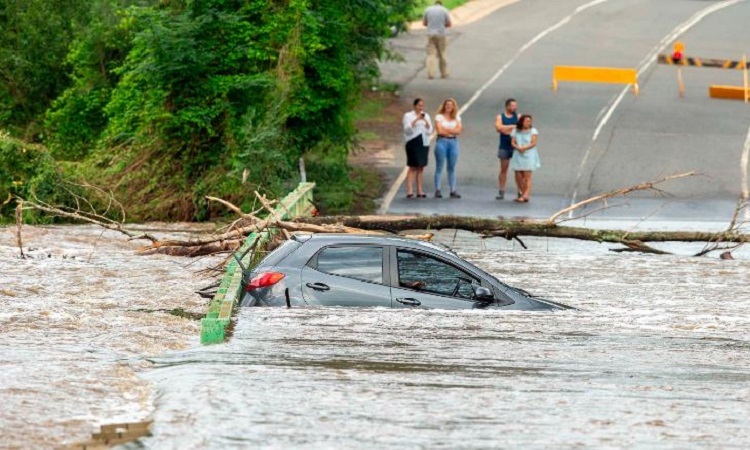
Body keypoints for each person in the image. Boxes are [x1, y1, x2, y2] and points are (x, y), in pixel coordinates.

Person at [402, 98, 432, 198]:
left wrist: (425, 121)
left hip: (424, 142)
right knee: (413, 166)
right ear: (415, 106)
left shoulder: (426, 116)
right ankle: (409, 190)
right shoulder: (408, 116)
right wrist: (417, 119)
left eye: (422, 106)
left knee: (421, 166)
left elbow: (430, 130)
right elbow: (407, 129)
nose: (421, 108)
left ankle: (420, 191)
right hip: (413, 142)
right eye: (419, 105)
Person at [433, 98, 462, 198]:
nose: (449, 107)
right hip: (442, 141)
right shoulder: (439, 117)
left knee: (452, 167)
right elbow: (439, 131)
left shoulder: (457, 117)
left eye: (451, 105)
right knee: (439, 166)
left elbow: (458, 131)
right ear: (444, 106)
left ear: (454, 107)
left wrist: (446, 129)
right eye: (447, 105)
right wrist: (451, 130)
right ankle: (438, 189)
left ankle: (453, 190)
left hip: (453, 142)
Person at [510, 114, 540, 203]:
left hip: (529, 154)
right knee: (518, 175)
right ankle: (521, 192)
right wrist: (518, 147)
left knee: (527, 176)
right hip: (518, 154)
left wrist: (524, 148)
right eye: (526, 121)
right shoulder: (516, 130)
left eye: (529, 121)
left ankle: (526, 194)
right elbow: (513, 142)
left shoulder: (533, 131)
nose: (528, 123)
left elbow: (533, 143)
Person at [495, 98, 519, 200]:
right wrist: (512, 127)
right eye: (512, 106)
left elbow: (520, 128)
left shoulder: (518, 116)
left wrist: (506, 128)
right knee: (503, 169)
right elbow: (499, 128)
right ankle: (502, 190)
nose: (514, 107)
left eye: (515, 106)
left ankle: (520, 190)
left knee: (518, 170)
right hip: (504, 145)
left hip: (515, 146)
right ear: (507, 106)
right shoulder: (500, 117)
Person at [422, 1, 452, 79]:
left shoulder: (428, 10)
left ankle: (431, 73)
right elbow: (449, 24)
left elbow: (424, 23)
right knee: (442, 53)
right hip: (441, 34)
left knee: (431, 54)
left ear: (434, 3)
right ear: (441, 3)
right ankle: (444, 73)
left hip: (431, 34)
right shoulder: (444, 10)